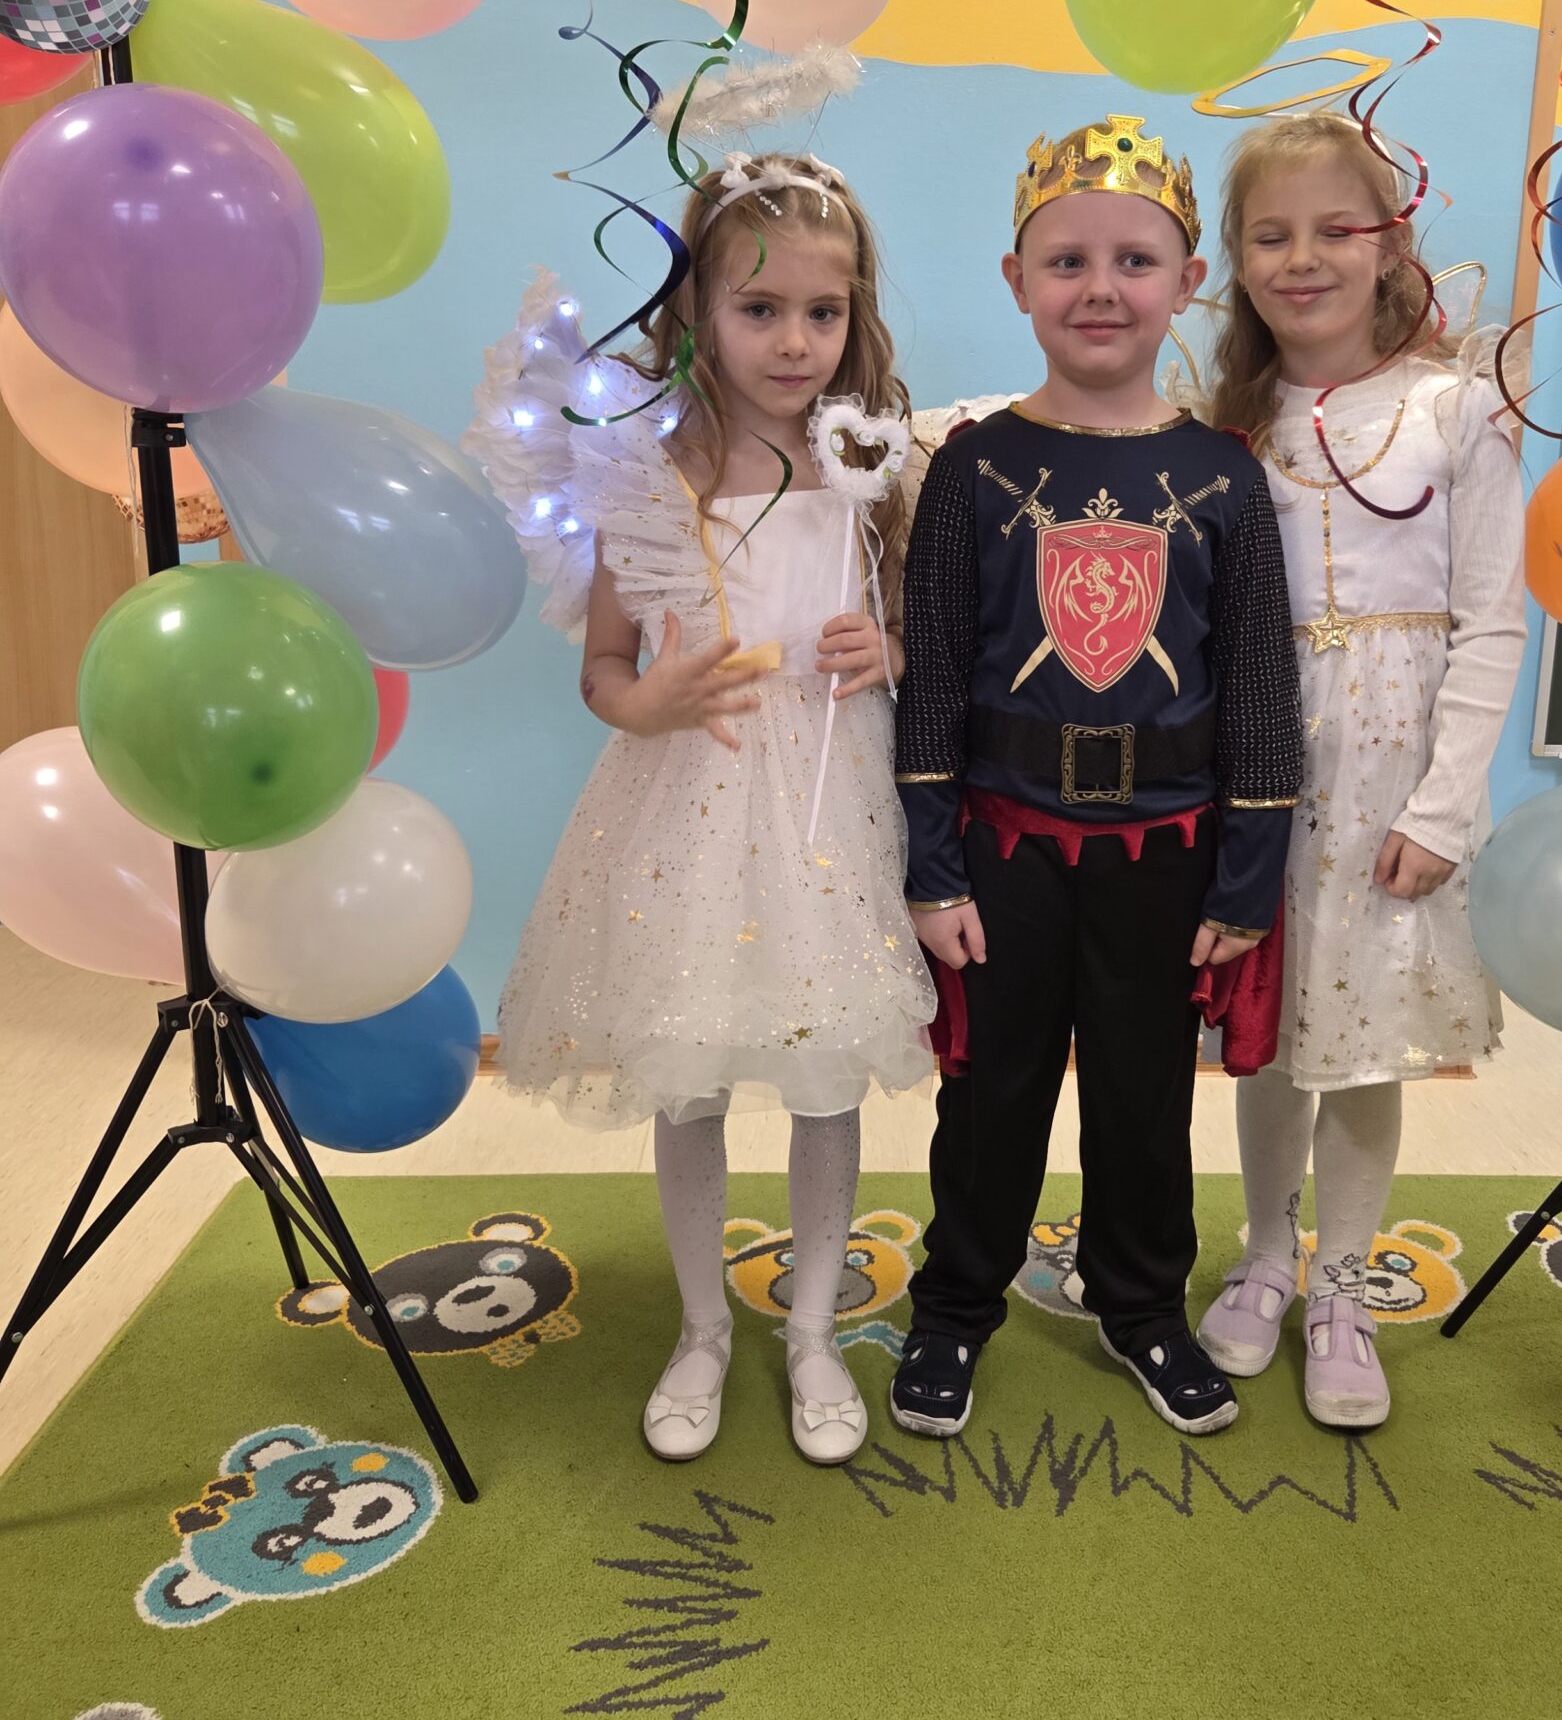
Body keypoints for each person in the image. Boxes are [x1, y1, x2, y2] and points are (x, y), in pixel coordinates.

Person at [466, 153, 934, 1469]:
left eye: (823, 313)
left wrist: (891, 652)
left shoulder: (872, 462)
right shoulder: (648, 472)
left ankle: (812, 1329)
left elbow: (918, 630)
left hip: (829, 797)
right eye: (759, 308)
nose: (794, 341)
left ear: (855, 316)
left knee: (825, 1072)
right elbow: (604, 673)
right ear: (697, 311)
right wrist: (647, 700)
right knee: (690, 1076)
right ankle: (703, 1327)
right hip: (690, 797)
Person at [889, 114, 1302, 1441]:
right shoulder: (973, 466)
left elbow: (1260, 689)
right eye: (1067, 261)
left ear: (1189, 282)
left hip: (1168, 853)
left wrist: (1246, 880)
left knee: (1143, 1097)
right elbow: (934, 677)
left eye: (1136, 260)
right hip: (1002, 847)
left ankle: (1142, 1306)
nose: (1101, 288)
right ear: (1017, 281)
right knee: (991, 1094)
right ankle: (956, 1306)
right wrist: (932, 867)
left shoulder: (1223, 476)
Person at [1196, 112, 1525, 1429]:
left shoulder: (1456, 409)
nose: (1303, 258)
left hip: (1395, 776)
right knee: (1270, 1037)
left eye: (1336, 229)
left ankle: (1342, 1282)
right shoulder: (1225, 424)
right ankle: (1265, 1255)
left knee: (1365, 1042)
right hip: (1263, 767)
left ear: (1389, 243)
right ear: (1236, 259)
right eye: (1271, 235)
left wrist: (1444, 807)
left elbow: (1492, 622)